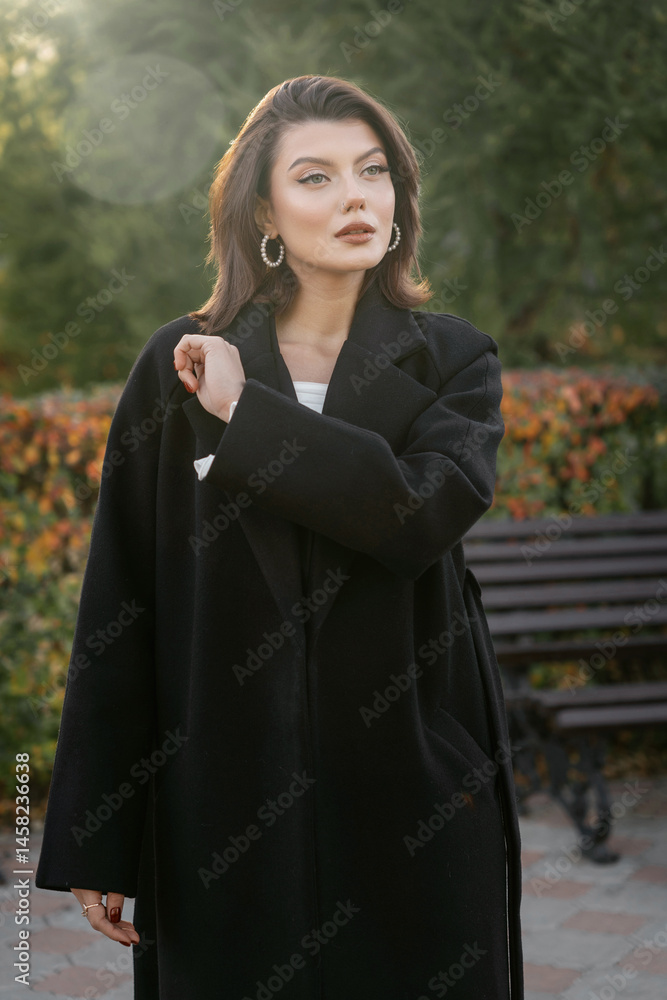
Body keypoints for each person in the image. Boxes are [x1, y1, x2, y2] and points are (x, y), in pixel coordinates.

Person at [36, 74, 524, 999]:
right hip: (223, 815)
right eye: (315, 177)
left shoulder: (454, 360)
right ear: (262, 209)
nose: (355, 198)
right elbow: (123, 602)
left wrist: (246, 415)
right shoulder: (179, 365)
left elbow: (420, 512)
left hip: (412, 801)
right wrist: (99, 832)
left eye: (373, 171)